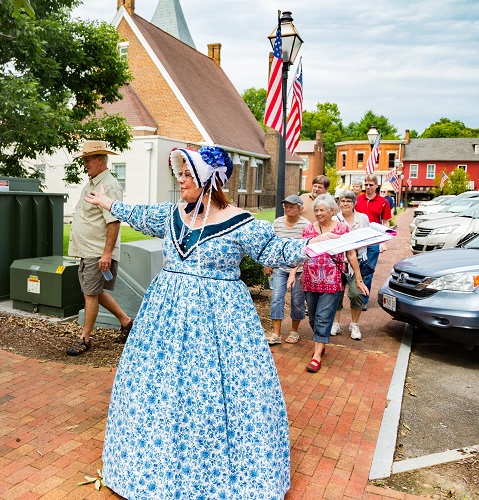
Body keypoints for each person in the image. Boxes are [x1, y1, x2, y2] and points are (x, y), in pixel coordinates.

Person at [82, 146, 339, 498]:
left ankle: (217, 474)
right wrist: (109, 204)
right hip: (165, 321)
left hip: (221, 322)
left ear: (208, 179)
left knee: (214, 390)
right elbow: (138, 213)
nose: (180, 180)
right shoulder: (172, 215)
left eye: (187, 175)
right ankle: (152, 468)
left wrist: (316, 244)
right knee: (162, 387)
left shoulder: (240, 221)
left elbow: (275, 251)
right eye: (180, 174)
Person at [65, 140, 133, 356]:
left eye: (87, 160)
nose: (85, 164)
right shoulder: (93, 182)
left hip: (98, 252)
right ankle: (127, 322)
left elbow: (113, 222)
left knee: (90, 295)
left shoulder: (108, 185)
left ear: (100, 159)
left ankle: (84, 338)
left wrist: (106, 254)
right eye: (84, 160)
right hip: (88, 250)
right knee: (94, 291)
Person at [301, 194, 369, 372]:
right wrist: (294, 273)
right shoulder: (308, 229)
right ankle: (320, 343)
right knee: (313, 318)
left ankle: (316, 356)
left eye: (322, 210)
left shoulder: (342, 229)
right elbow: (302, 254)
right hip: (310, 280)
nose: (318, 213)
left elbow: (351, 254)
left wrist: (359, 279)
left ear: (332, 210)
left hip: (332, 281)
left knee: (323, 317)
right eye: (316, 210)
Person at [265, 194, 309, 345]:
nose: (288, 209)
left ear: (300, 209)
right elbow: (271, 245)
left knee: (297, 301)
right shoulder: (277, 223)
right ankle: (276, 333)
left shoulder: (306, 225)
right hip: (280, 268)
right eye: (286, 206)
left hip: (299, 270)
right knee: (277, 298)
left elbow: (306, 250)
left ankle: (294, 331)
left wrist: (296, 268)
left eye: (292, 207)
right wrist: (267, 263)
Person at [331, 189, 370, 340]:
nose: (345, 203)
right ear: (338, 203)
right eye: (342, 201)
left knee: (356, 293)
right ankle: (336, 323)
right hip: (338, 261)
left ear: (354, 203)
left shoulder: (363, 218)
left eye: (348, 201)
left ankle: (355, 324)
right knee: (336, 294)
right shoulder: (335, 218)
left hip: (357, 260)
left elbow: (367, 238)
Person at [355, 173, 393, 309]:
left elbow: (386, 222)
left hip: (374, 241)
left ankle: (363, 300)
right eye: (366, 185)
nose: (368, 187)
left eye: (371, 185)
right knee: (355, 269)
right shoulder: (358, 200)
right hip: (358, 240)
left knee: (368, 270)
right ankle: (355, 296)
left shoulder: (383, 202)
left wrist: (384, 242)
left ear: (377, 186)